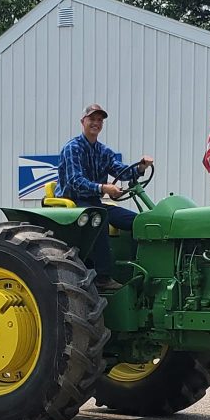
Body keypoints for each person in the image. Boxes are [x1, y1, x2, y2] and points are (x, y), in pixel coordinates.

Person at [56, 104, 153, 291]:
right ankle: (102, 276)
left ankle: (134, 272)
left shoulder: (103, 151)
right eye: (92, 119)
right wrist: (104, 188)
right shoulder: (72, 148)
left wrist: (141, 168)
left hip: (94, 201)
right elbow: (76, 181)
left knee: (137, 222)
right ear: (82, 122)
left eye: (99, 120)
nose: (96, 123)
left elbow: (122, 172)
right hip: (73, 202)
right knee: (101, 217)